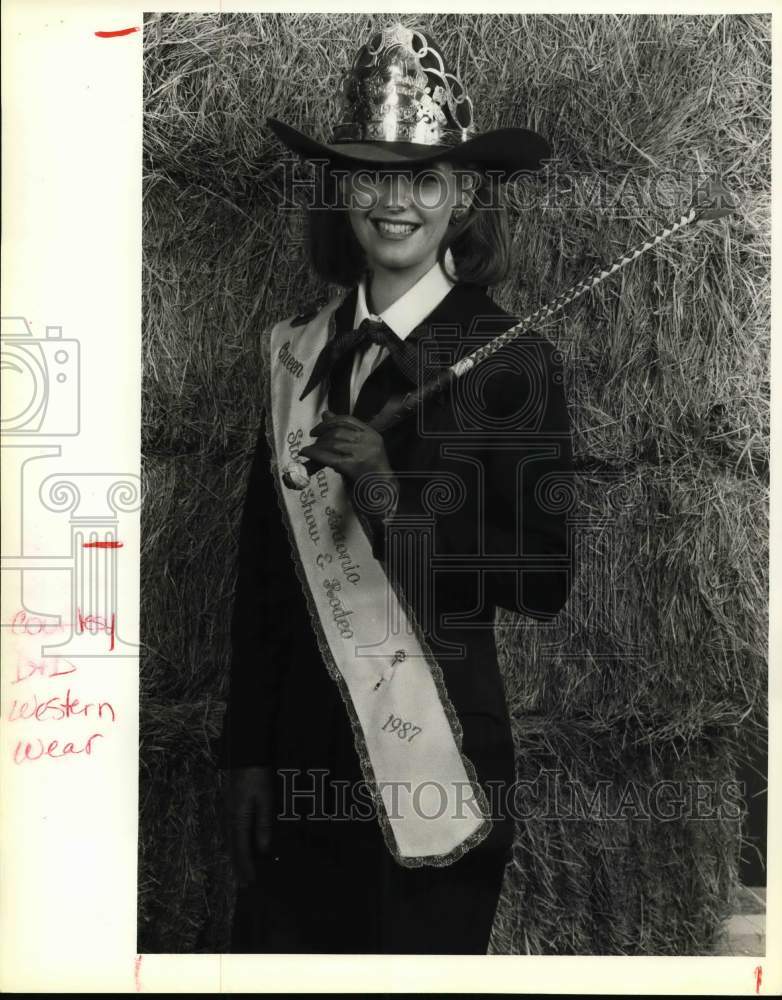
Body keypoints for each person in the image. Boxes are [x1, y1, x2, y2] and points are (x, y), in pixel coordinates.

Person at [218, 22, 575, 954]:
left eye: (422, 177)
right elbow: (262, 581)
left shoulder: (511, 362)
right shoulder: (297, 354)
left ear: (460, 198)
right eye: (370, 175)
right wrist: (248, 756)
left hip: (436, 759)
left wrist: (386, 496)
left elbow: (540, 581)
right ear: (342, 192)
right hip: (298, 764)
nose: (394, 201)